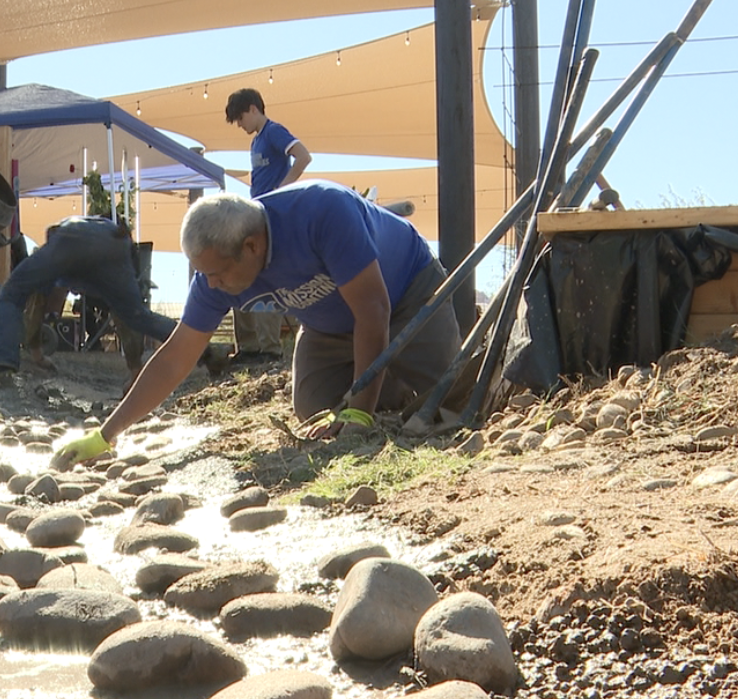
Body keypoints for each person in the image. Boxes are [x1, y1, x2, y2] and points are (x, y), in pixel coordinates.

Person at [53, 183, 462, 467]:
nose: (211, 285)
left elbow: (374, 309)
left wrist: (359, 415)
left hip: (408, 294)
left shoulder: (323, 211)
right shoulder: (214, 273)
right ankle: (381, 384)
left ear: (251, 246)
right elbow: (175, 359)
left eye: (216, 274)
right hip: (329, 326)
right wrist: (105, 436)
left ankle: (387, 385)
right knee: (313, 411)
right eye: (203, 275)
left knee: (450, 399)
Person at [0, 216, 175, 383]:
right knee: (135, 314)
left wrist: (37, 353)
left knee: (12, 294)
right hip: (115, 244)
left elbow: (37, 305)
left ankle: (5, 363)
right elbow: (128, 316)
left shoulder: (59, 239)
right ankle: (194, 343)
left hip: (70, 240)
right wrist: (135, 369)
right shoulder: (108, 231)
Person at [224, 87, 312, 365]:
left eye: (240, 118)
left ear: (253, 109)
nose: (240, 125)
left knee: (265, 278)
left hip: (273, 217)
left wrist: (281, 191)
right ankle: (249, 346)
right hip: (255, 214)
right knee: (240, 274)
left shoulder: (273, 131)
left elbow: (303, 156)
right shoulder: (255, 142)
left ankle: (269, 348)